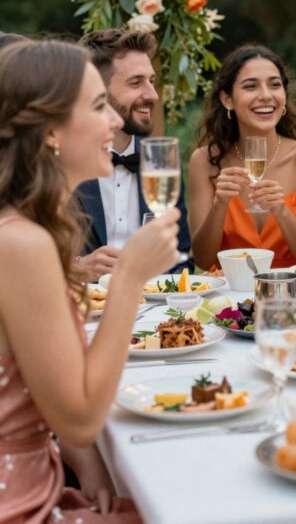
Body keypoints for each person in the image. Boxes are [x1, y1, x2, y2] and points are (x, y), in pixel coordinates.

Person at [0, 40, 180, 523]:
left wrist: (90, 465)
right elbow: (80, 420)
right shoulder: (23, 244)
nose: (118, 122)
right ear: (52, 130)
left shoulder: (24, 230)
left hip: (43, 481)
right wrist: (129, 281)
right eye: (100, 106)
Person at [188, 45, 296, 271]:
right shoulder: (204, 161)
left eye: (275, 85)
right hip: (228, 299)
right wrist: (220, 204)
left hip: (295, 296)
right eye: (250, 86)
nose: (266, 95)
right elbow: (202, 260)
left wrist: (281, 211)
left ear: (284, 97)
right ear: (227, 99)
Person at [74, 29, 192, 277]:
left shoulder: (162, 162)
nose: (153, 95)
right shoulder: (61, 162)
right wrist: (77, 269)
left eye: (152, 80)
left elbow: (181, 261)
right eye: (136, 82)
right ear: (98, 89)